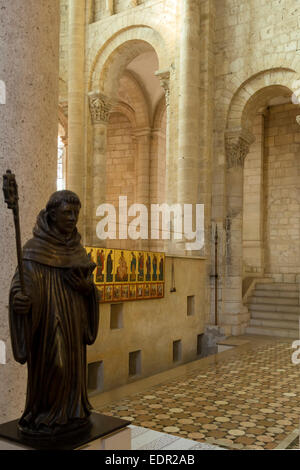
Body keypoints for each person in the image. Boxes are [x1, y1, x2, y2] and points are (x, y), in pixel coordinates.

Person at [9, 190, 99, 436]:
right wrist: (21, 300)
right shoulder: (33, 249)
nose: (72, 218)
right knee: (56, 365)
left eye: (76, 213)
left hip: (74, 318)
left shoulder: (77, 249)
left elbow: (89, 288)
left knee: (72, 367)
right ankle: (46, 414)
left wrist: (87, 289)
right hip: (48, 319)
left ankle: (71, 412)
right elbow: (22, 283)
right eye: (67, 213)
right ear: (51, 215)